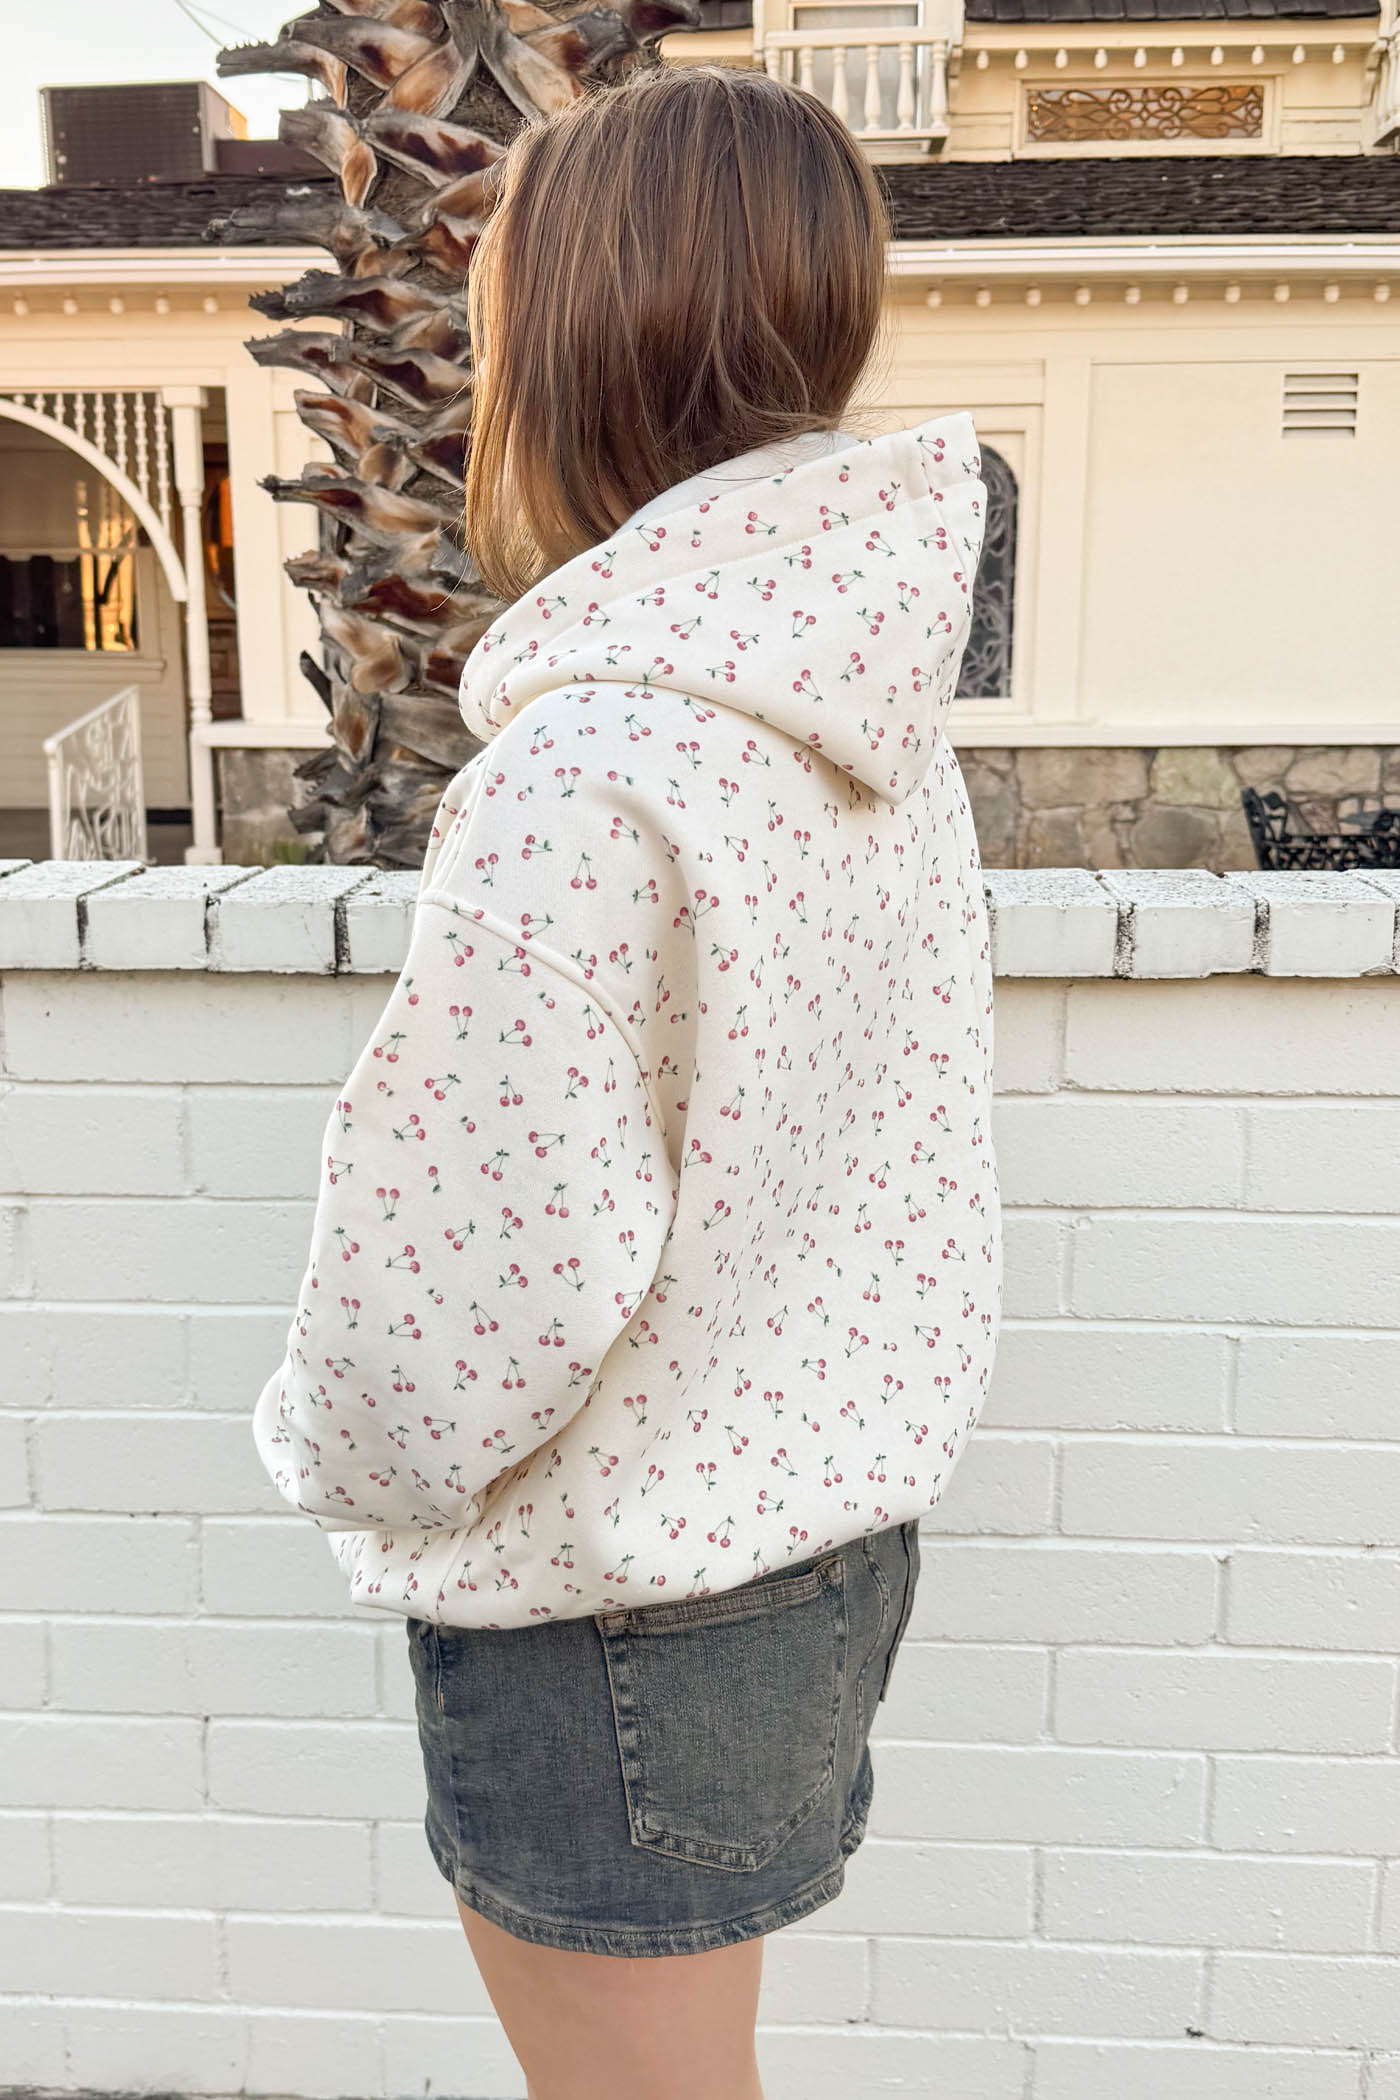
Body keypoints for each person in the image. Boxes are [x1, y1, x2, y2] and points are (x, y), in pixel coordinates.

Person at [254, 59, 1002, 2100]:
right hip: (817, 1555)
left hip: (620, 1616)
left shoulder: (592, 776)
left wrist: (334, 1455)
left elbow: (455, 1302)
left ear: (558, 341)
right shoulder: (864, 727)